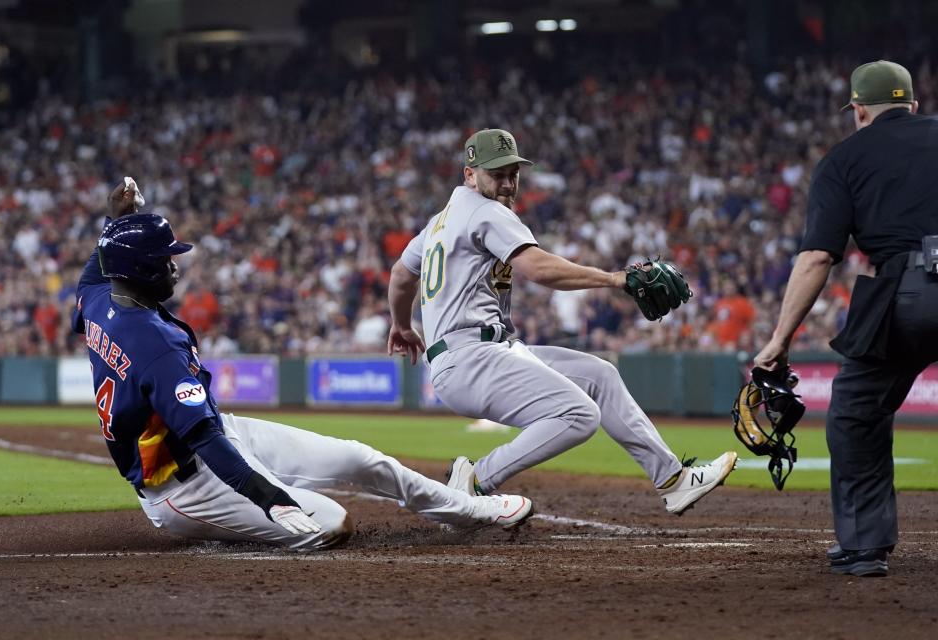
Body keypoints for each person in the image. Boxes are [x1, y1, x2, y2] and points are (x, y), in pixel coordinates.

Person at [71, 178, 534, 551]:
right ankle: (233, 533)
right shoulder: (156, 348)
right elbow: (205, 441)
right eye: (166, 260)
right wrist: (269, 499)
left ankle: (470, 508)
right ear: (141, 269)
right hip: (182, 487)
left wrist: (120, 220)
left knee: (360, 456)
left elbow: (100, 262)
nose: (175, 267)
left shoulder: (98, 296)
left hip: (217, 435)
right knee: (328, 524)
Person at [387, 128, 737, 514]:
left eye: (512, 173)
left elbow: (402, 276)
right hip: (471, 356)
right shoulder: (485, 212)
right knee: (580, 414)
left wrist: (402, 325)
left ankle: (673, 480)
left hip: (481, 353)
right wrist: (615, 279)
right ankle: (474, 481)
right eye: (495, 174)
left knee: (600, 376)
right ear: (469, 174)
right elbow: (537, 268)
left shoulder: (439, 222)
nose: (506, 183)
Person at [753, 60, 938, 577]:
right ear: (914, 106)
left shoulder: (844, 159)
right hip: (912, 287)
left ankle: (865, 546)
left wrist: (779, 339)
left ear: (858, 110)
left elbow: (816, 258)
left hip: (906, 293)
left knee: (857, 410)